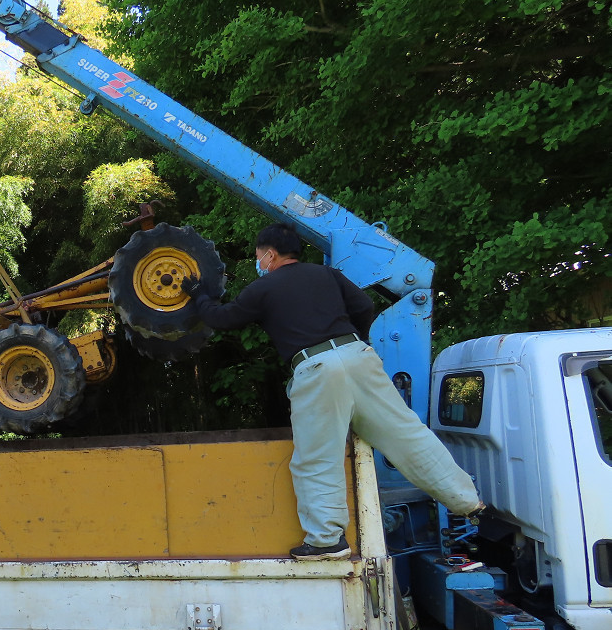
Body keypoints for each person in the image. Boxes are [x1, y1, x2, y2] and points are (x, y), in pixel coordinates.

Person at [181, 222, 483, 561]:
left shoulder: (263, 289)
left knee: (317, 457)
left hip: (316, 369)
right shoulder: (328, 276)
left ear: (269, 255)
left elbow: (223, 319)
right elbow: (364, 307)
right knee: (407, 434)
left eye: (257, 256)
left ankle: (327, 541)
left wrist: (198, 296)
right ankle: (468, 501)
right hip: (358, 356)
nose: (258, 262)